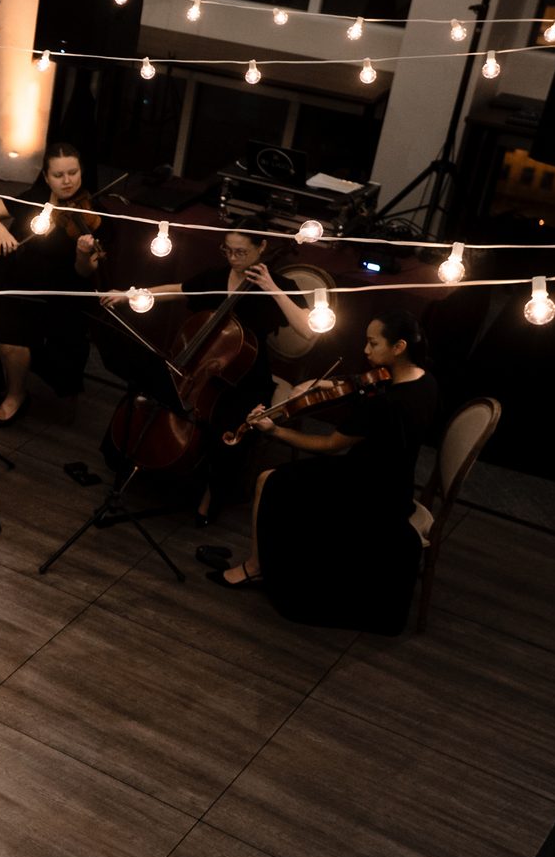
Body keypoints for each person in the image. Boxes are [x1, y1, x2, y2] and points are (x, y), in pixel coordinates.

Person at [202, 310, 439, 635]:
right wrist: (331, 384)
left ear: (398, 347)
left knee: (268, 480)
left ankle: (256, 568)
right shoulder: (425, 381)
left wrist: (274, 431)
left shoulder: (386, 406)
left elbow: (328, 444)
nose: (366, 351)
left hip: (366, 488)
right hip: (395, 481)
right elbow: (362, 387)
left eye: (373, 344)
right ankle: (277, 557)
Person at [101, 218, 313, 524]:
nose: (233, 258)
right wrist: (130, 293)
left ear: (262, 247)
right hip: (200, 368)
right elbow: (178, 290)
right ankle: (137, 466)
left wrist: (271, 287)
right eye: (228, 250)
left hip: (246, 376)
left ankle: (210, 496)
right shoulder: (216, 277)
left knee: (231, 426)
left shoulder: (281, 285)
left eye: (241, 252)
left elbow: (306, 329)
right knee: (147, 392)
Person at [0, 143, 106, 425]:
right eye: (59, 175)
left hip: (53, 291)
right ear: (47, 177)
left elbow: (84, 273)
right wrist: (1, 229)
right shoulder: (36, 197)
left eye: (72, 173)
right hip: (13, 274)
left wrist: (82, 253)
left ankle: (16, 396)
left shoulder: (95, 213)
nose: (67, 181)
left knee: (11, 338)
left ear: (81, 172)